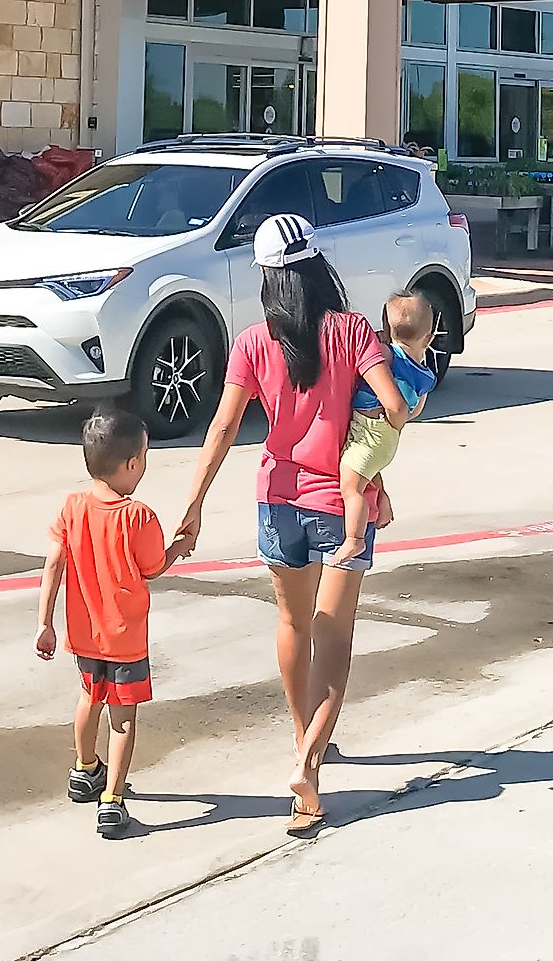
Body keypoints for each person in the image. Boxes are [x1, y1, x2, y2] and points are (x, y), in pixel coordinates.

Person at [172, 212, 405, 834]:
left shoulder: (252, 342)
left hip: (276, 498)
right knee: (336, 639)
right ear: (317, 264)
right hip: (336, 503)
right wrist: (373, 471)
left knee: (292, 624)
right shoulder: (353, 332)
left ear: (268, 277)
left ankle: (303, 739)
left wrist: (193, 504)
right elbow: (391, 407)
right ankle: (308, 764)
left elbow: (221, 426)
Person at [37, 401, 175, 840]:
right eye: (145, 459)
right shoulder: (138, 516)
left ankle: (84, 770)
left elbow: (54, 563)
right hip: (125, 639)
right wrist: (180, 547)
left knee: (87, 700)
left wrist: (45, 622)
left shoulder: (72, 507)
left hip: (83, 635)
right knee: (124, 718)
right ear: (132, 463)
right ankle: (113, 800)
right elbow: (152, 567)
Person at [337, 290, 439, 564]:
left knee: (350, 487)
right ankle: (380, 507)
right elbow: (415, 410)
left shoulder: (387, 354)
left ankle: (354, 539)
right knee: (366, 474)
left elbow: (362, 354)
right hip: (387, 436)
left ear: (385, 330)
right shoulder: (426, 375)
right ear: (429, 338)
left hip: (370, 429)